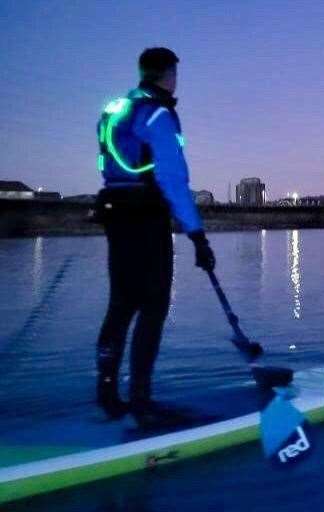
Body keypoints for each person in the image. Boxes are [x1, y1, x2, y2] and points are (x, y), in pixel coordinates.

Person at [95, 47, 215, 427]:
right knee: (153, 306)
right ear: (169, 73)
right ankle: (142, 400)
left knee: (121, 304)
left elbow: (110, 166)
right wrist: (197, 236)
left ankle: (109, 393)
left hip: (115, 212)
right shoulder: (159, 113)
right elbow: (173, 179)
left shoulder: (114, 111)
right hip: (146, 216)